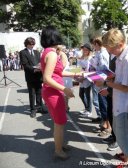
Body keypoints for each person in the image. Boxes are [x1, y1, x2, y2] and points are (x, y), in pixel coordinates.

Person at [102, 28, 128, 167]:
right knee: (118, 130)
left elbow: (127, 87)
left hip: (125, 104)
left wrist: (107, 82)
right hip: (119, 101)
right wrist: (111, 78)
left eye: (111, 49)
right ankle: (127, 153)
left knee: (123, 132)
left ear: (121, 44)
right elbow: (120, 79)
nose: (110, 52)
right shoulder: (120, 57)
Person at [40, 25, 78, 160]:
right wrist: (65, 89)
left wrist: (75, 74)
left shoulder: (49, 52)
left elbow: (59, 72)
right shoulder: (51, 54)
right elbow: (47, 78)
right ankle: (58, 150)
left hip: (53, 91)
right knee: (59, 122)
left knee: (60, 121)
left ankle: (60, 145)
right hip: (53, 92)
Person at [19, 37, 46, 118]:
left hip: (38, 75)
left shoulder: (37, 52)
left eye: (33, 44)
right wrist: (34, 69)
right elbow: (25, 64)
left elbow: (40, 62)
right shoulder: (23, 52)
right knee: (32, 93)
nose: (32, 45)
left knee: (39, 92)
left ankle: (39, 107)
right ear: (27, 44)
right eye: (31, 44)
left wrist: (40, 67)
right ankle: (33, 109)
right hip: (31, 75)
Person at [56, 45, 73, 112]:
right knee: (63, 92)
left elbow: (63, 66)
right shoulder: (59, 55)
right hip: (63, 75)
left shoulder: (62, 55)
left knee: (64, 92)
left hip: (65, 76)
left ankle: (66, 107)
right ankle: (65, 106)